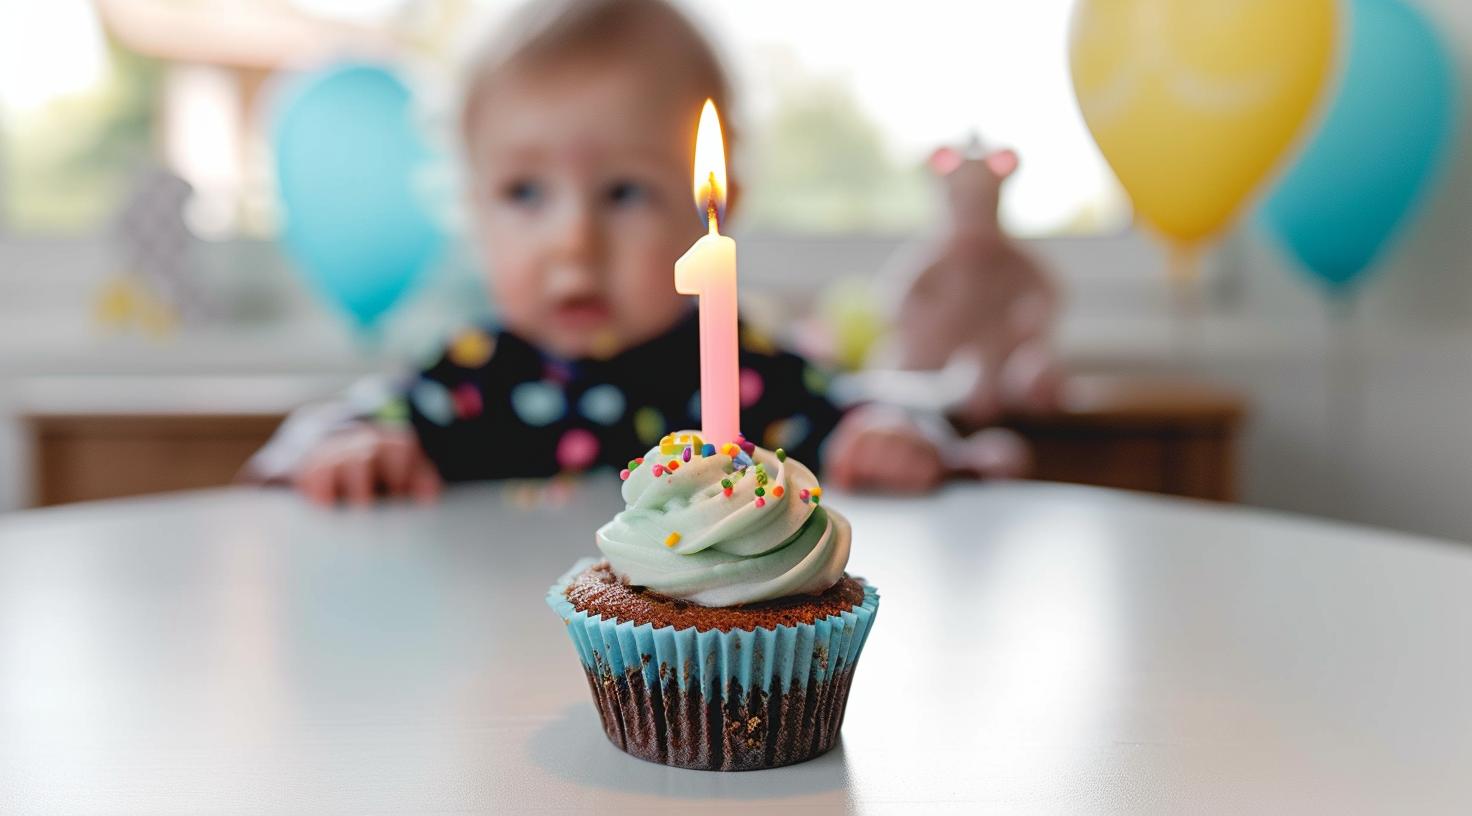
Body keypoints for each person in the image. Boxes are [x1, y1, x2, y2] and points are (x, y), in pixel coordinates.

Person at [250, 0, 1020, 506]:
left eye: (623, 193)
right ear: (473, 212)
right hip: (497, 676)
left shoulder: (748, 377)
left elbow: (869, 413)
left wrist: (889, 437)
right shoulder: (471, 380)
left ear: (715, 211)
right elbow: (308, 437)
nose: (573, 241)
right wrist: (348, 448)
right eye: (525, 193)